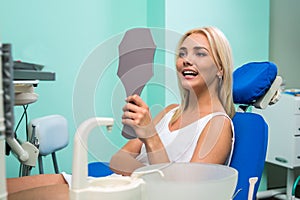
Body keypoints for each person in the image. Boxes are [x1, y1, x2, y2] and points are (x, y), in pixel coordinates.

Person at [6, 26, 235, 199]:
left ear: (221, 69)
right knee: (8, 187)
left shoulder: (218, 125)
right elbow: (118, 160)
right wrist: (146, 172)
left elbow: (180, 195)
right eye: (182, 53)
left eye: (200, 54)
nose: (186, 61)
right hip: (119, 184)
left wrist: (150, 137)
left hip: (135, 194)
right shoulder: (169, 112)